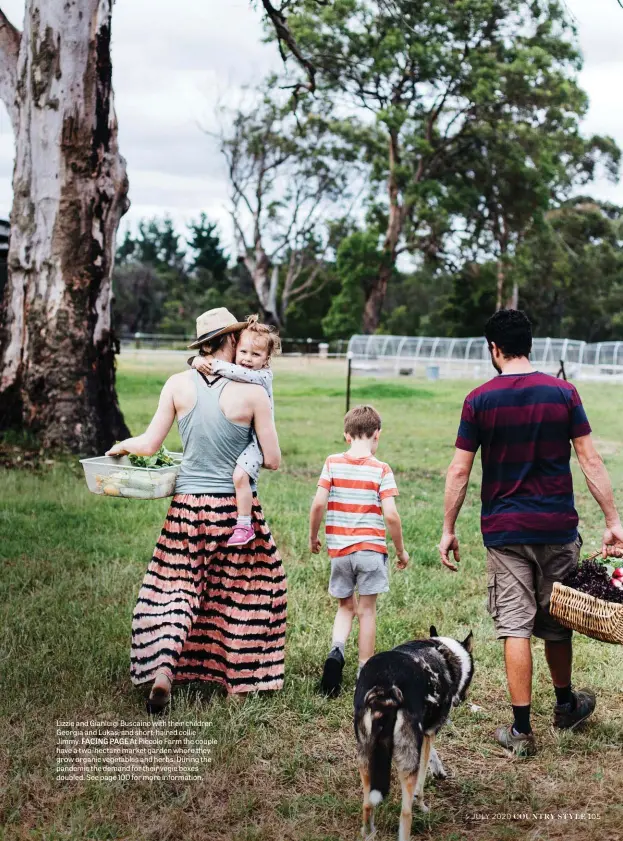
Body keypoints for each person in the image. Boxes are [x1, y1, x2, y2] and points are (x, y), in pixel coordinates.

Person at [438, 308, 623, 755]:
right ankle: (564, 706)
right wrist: (614, 521)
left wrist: (448, 529)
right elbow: (590, 460)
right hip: (558, 526)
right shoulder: (563, 393)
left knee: (515, 626)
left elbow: (460, 472)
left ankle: (521, 731)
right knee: (559, 620)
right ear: (530, 344)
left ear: (494, 349)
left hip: (504, 531)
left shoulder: (478, 399)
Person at [106, 307, 287, 712]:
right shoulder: (254, 392)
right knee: (249, 589)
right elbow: (272, 459)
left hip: (186, 508)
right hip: (232, 510)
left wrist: (120, 447)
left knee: (174, 589)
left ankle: (164, 670)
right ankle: (240, 681)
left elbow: (150, 443)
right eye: (237, 338)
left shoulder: (176, 384)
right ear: (228, 342)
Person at [309, 405, 410, 697]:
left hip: (339, 551)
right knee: (366, 612)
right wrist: (401, 550)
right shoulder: (382, 469)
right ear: (377, 435)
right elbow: (391, 515)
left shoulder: (332, 462)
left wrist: (313, 536)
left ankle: (336, 651)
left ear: (346, 436)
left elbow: (318, 504)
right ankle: (364, 674)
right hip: (370, 551)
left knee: (345, 607)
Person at [189, 315, 279, 547]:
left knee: (240, 477)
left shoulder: (262, 375)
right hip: (246, 436)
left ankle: (244, 525)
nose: (248, 360)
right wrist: (195, 360)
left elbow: (240, 374)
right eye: (244, 352)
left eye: (256, 355)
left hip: (257, 440)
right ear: (235, 346)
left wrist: (203, 362)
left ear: (267, 359)